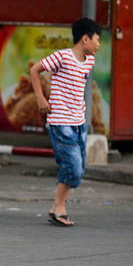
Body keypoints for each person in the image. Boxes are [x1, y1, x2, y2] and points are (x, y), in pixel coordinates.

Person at [30, 17, 101, 227]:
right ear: (85, 38)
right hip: (60, 122)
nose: (98, 45)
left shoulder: (89, 61)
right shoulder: (62, 56)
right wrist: (40, 98)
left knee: (78, 167)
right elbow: (35, 69)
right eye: (97, 39)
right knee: (73, 167)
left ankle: (58, 207)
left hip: (78, 123)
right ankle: (58, 207)